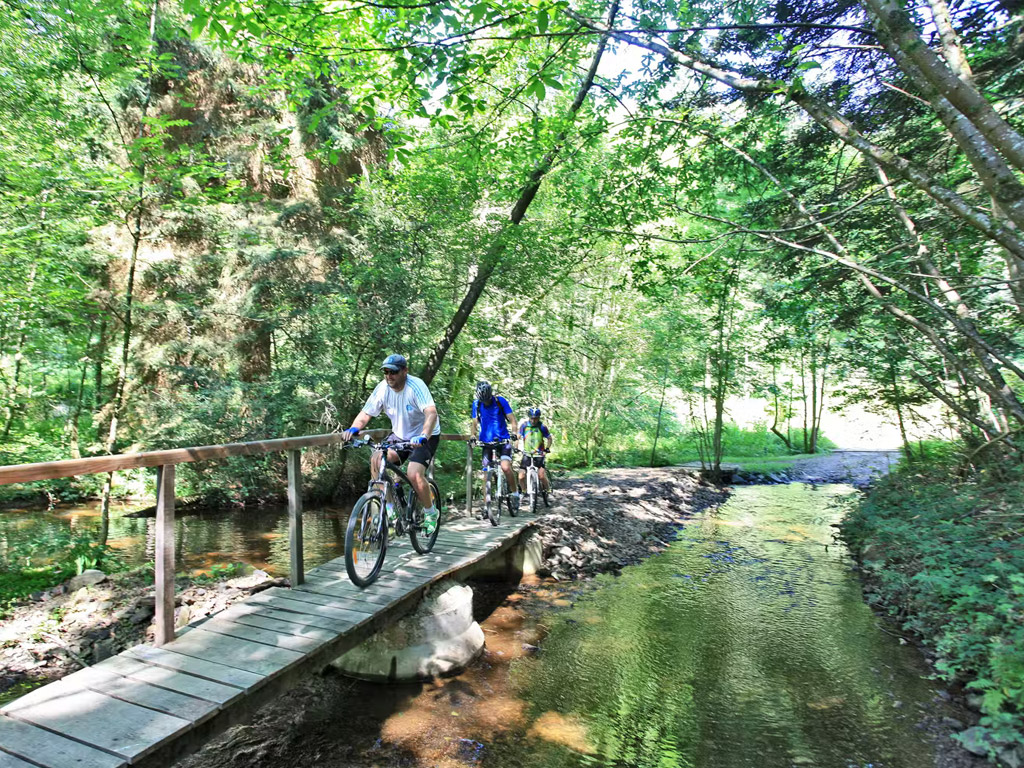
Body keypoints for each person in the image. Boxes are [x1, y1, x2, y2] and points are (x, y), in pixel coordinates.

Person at [340, 354, 441, 534]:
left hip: (425, 436)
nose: (389, 376)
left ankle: (431, 512)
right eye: (385, 372)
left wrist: (424, 435)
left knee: (414, 474)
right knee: (377, 459)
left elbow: (431, 413)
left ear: (404, 371)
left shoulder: (415, 387)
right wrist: (353, 428)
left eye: (393, 372)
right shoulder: (382, 389)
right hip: (400, 435)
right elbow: (366, 413)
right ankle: (390, 509)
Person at [470, 380, 520, 512]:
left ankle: (515, 494)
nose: (486, 402)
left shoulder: (500, 401)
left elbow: (512, 419)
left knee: (505, 467)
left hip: (503, 440)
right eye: (483, 400)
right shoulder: (477, 404)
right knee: (485, 474)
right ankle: (487, 506)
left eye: (487, 400)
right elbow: (474, 423)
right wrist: (473, 436)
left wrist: (514, 434)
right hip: (486, 442)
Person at [518, 406, 553, 499]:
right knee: (521, 476)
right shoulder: (524, 426)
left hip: (539, 454)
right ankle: (524, 491)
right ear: (529, 417)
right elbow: (518, 437)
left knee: (541, 476)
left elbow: (549, 438)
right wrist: (516, 447)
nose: (534, 420)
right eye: (532, 418)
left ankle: (548, 491)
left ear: (538, 418)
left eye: (536, 418)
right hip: (527, 454)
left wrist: (547, 448)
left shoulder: (542, 426)